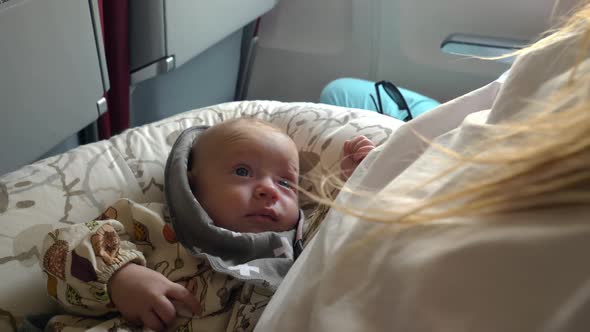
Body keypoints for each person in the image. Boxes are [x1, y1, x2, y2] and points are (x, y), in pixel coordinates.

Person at [254, 2, 590, 332]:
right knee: (340, 90)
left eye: (286, 183)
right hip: (454, 134)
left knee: (339, 93)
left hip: (445, 143)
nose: (268, 189)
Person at [40, 117, 375, 332]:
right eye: (243, 172)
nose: (268, 189)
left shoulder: (295, 244)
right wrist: (120, 277)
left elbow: (343, 236)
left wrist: (357, 183)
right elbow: (63, 248)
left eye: (286, 183)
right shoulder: (153, 223)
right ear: (191, 184)